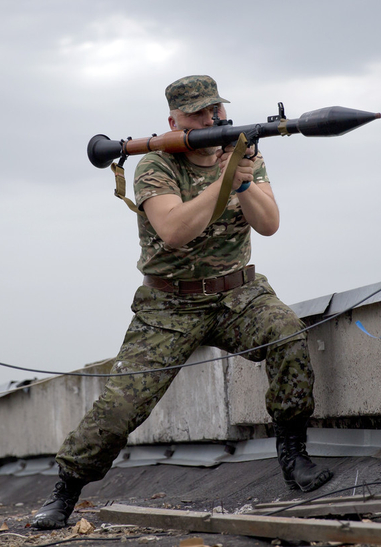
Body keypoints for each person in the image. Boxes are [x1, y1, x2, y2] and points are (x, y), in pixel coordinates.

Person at [33, 75, 333, 530]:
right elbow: (174, 230)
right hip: (168, 307)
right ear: (173, 120)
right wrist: (227, 181)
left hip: (238, 293)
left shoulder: (245, 154)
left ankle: (293, 453)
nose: (210, 119)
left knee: (287, 331)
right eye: (198, 113)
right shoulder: (154, 164)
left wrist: (244, 177)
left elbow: (269, 224)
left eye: (215, 110)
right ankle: (66, 489)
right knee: (119, 407)